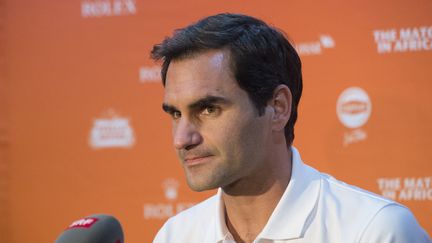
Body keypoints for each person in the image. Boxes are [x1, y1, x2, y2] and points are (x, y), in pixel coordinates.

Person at [150, 13, 430, 243]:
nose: (181, 138)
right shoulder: (175, 236)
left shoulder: (374, 231)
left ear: (278, 106)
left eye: (209, 109)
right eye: (175, 113)